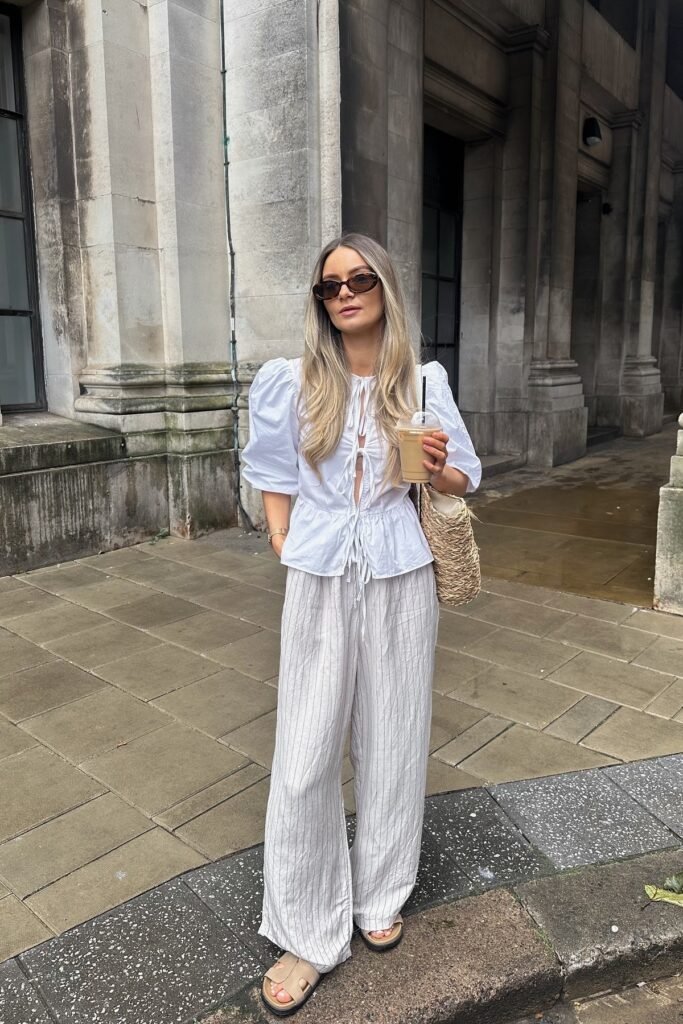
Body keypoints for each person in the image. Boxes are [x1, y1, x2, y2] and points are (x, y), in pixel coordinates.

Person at [241, 233, 481, 1016]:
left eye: (359, 279)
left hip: (400, 570)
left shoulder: (420, 380)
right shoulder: (291, 380)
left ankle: (380, 890)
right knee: (306, 752)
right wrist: (283, 541)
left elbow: (460, 478)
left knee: (394, 735)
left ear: (384, 286)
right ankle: (308, 930)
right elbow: (273, 473)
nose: (343, 293)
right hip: (315, 574)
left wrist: (434, 460)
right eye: (329, 286)